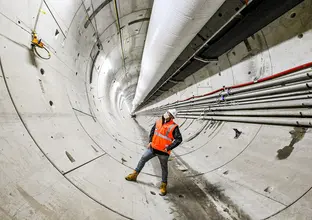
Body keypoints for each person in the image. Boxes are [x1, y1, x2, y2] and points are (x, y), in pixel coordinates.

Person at [125, 109, 183, 196]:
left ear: (172, 117)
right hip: (153, 148)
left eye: (169, 114)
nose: (167, 114)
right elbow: (152, 131)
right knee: (143, 159)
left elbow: (179, 139)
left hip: (163, 152)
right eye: (167, 112)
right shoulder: (158, 121)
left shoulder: (174, 127)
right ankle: (134, 175)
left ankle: (163, 186)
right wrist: (150, 141)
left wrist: (169, 147)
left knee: (164, 169)